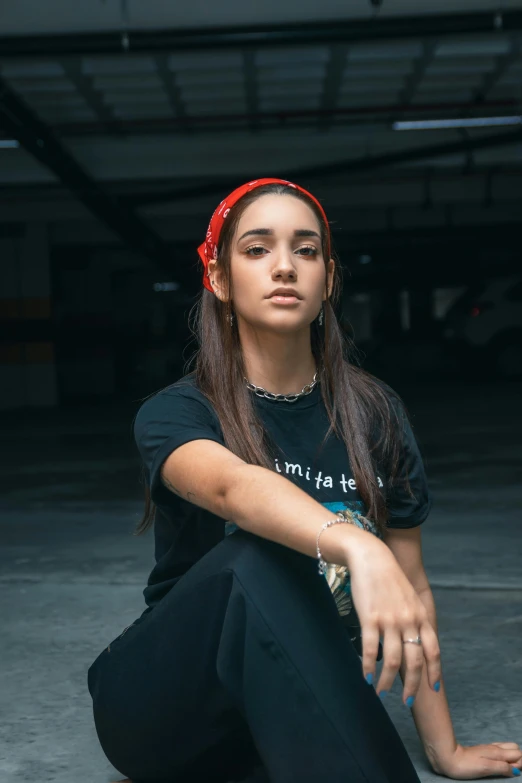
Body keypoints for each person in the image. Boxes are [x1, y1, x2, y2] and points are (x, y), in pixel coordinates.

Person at [87, 178, 522, 783]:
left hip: (281, 707)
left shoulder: (376, 415)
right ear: (218, 279)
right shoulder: (176, 412)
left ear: (329, 280)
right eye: (258, 249)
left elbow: (412, 592)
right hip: (161, 707)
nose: (285, 267)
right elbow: (231, 489)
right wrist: (356, 543)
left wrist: (444, 748)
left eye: (307, 250)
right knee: (259, 554)